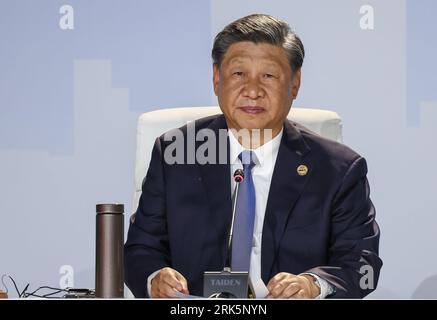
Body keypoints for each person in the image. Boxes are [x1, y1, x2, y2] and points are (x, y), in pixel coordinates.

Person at [124, 13, 382, 299]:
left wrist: (314, 285)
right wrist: (154, 278)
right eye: (238, 74)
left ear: (294, 83)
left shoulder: (338, 170)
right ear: (216, 79)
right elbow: (140, 250)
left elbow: (363, 264)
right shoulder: (176, 153)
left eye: (269, 76)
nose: (253, 91)